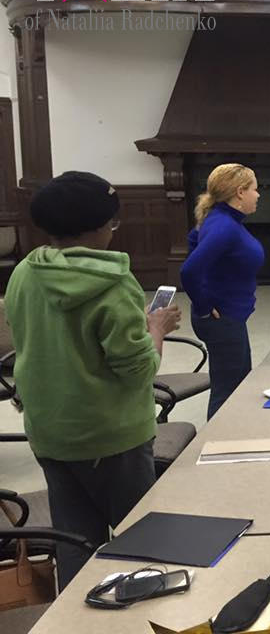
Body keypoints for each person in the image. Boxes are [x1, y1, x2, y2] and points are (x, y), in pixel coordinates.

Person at [4, 171, 181, 587]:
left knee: (76, 544)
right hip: (112, 436)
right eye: (113, 223)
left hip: (50, 432)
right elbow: (140, 369)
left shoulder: (26, 273)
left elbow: (50, 341)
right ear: (101, 227)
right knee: (143, 539)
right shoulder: (113, 284)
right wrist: (154, 328)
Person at [180, 163, 264, 419]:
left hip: (227, 316)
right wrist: (205, 306)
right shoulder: (224, 225)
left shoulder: (218, 217)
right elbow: (189, 271)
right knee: (229, 392)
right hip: (221, 319)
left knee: (233, 385)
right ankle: (217, 446)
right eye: (254, 189)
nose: (258, 195)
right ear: (240, 192)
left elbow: (193, 240)